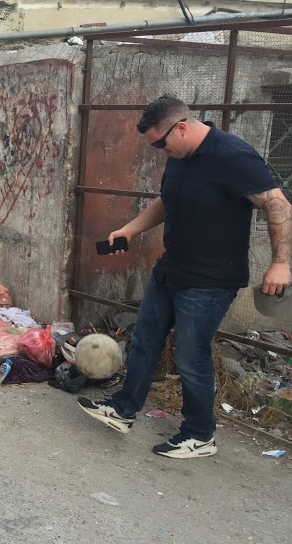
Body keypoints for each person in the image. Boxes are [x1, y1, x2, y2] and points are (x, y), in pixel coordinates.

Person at [78, 95, 291, 459]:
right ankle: (123, 409)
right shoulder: (179, 157)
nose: (160, 151)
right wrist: (130, 229)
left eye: (161, 143)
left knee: (191, 357)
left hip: (210, 280)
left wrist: (281, 263)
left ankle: (199, 435)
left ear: (182, 127)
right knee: (145, 340)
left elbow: (277, 203)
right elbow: (167, 200)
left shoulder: (233, 156)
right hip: (172, 268)